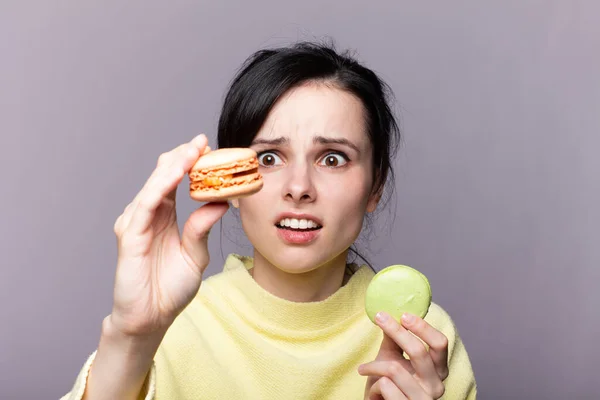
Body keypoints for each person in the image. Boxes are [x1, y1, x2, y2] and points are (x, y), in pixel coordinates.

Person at [61, 41, 477, 400]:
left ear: (375, 187)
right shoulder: (172, 325)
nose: (298, 187)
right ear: (233, 185)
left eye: (333, 158)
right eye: (269, 158)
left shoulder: (421, 337)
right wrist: (131, 335)